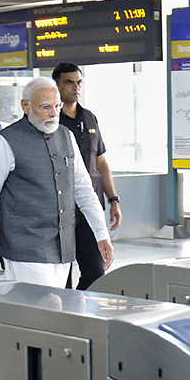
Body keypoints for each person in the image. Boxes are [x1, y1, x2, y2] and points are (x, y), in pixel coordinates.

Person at [0, 77, 113, 287]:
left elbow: (84, 191)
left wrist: (102, 235)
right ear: (25, 106)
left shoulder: (66, 136)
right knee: (35, 315)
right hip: (24, 252)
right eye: (45, 107)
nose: (54, 113)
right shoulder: (4, 142)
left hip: (64, 251)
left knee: (55, 314)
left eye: (57, 106)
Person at [52, 63, 123, 289]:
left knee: (95, 271)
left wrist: (113, 200)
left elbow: (100, 161)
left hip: (87, 209)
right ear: (57, 85)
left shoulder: (89, 118)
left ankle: (78, 310)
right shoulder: (50, 121)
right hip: (58, 209)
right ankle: (64, 317)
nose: (75, 87)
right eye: (69, 82)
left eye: (78, 82)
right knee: (61, 276)